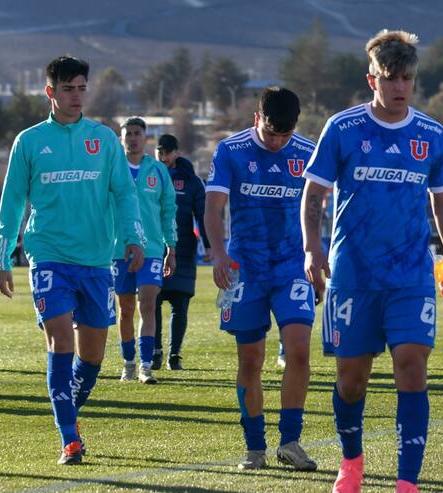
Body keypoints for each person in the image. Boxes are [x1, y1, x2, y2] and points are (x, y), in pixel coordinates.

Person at [302, 30, 443, 493]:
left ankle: (407, 485)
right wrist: (313, 252)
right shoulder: (343, 128)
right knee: (352, 380)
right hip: (353, 274)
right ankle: (351, 463)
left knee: (412, 368)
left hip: (411, 275)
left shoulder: (430, 135)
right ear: (372, 78)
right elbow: (312, 197)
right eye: (391, 78)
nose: (400, 88)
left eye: (408, 79)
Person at [0, 56, 144, 465]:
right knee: (61, 341)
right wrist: (2, 253)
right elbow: (12, 202)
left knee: (92, 354)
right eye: (68, 89)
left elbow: (124, 193)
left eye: (81, 88)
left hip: (96, 260)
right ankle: (69, 439)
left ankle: (69, 416)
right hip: (48, 258)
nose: (76, 96)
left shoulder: (104, 139)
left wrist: (133, 235)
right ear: (50, 92)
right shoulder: (29, 141)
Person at [205, 87, 318, 472]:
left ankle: (291, 442)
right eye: (271, 133)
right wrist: (219, 254)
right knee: (251, 360)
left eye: (284, 136)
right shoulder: (231, 151)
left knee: (299, 349)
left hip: (290, 268)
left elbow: (317, 207)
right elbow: (214, 207)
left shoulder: (306, 152)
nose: (277, 142)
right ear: (258, 119)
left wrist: (315, 254)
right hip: (245, 270)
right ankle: (255, 448)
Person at [113, 118, 177, 384]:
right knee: (125, 308)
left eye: (138, 134)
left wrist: (170, 248)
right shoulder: (112, 167)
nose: (133, 138)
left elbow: (168, 210)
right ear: (121, 138)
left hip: (151, 248)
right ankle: (128, 362)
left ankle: (145, 366)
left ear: (146, 138)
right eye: (128, 134)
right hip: (119, 248)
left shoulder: (158, 170)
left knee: (147, 303)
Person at [152, 133, 210, 371]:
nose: (163, 155)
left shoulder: (191, 182)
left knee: (180, 303)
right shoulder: (149, 176)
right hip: (153, 248)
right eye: (159, 151)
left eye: (167, 151)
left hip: (184, 250)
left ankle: (174, 355)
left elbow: (203, 216)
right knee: (151, 301)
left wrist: (208, 245)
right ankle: (154, 352)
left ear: (176, 153)